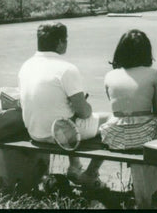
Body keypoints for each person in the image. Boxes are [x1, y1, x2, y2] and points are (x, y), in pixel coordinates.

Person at [18, 22, 109, 188]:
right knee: (111, 120)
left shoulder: (26, 66)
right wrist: (85, 105)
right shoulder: (67, 69)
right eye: (65, 40)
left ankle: (75, 167)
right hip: (57, 135)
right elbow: (84, 113)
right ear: (60, 42)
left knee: (65, 116)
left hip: (35, 132)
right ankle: (90, 174)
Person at [99, 29, 157, 150]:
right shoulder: (154, 74)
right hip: (146, 135)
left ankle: (93, 168)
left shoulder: (109, 75)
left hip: (114, 136)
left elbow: (115, 108)